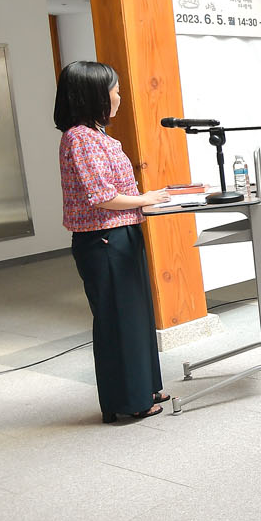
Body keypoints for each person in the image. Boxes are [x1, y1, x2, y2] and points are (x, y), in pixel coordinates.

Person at [54, 61, 173, 423]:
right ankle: (130, 401)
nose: (119, 97)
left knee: (136, 316)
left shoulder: (97, 134)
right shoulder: (80, 137)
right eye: (115, 90)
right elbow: (102, 196)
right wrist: (146, 198)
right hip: (103, 240)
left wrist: (144, 202)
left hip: (121, 233)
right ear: (95, 95)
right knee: (119, 321)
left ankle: (146, 387)